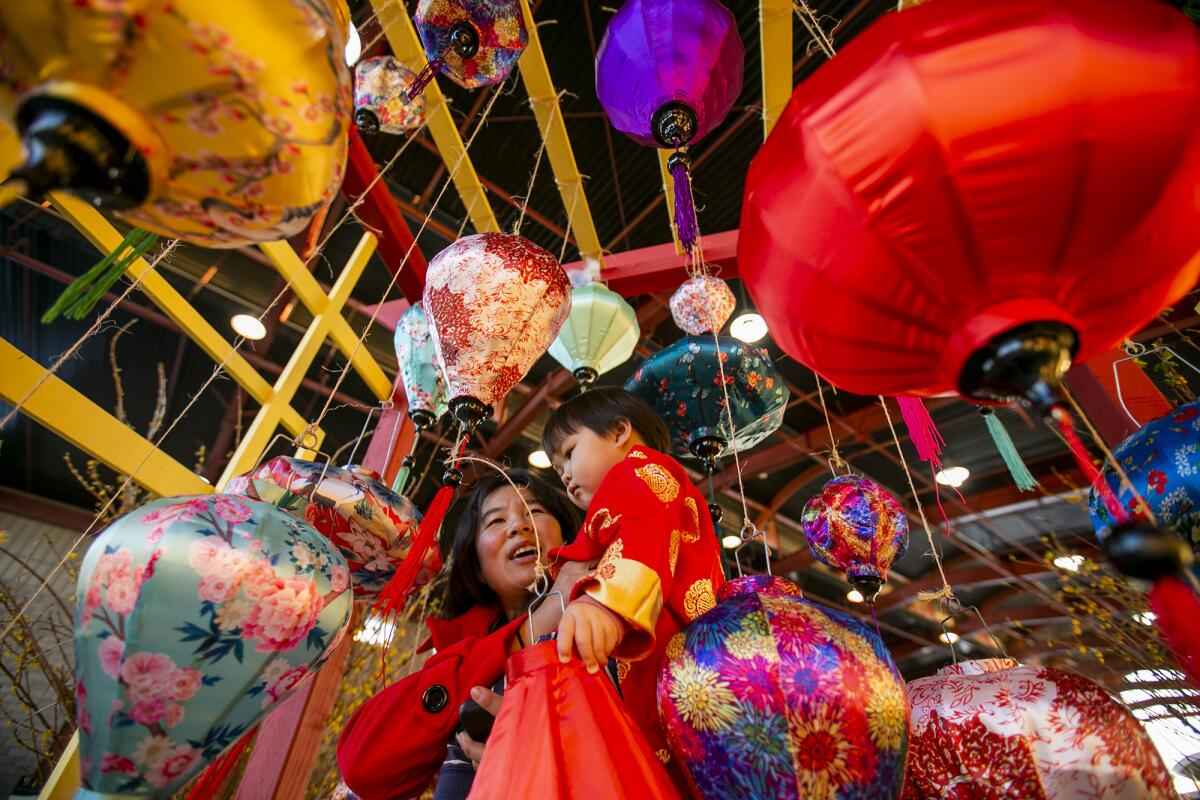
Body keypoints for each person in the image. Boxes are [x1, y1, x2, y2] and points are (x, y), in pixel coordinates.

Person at [336, 468, 585, 800]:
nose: (519, 526)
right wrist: (531, 629)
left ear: (568, 537)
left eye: (535, 511)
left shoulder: (605, 615)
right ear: (477, 567)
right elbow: (364, 766)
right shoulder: (456, 651)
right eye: (496, 521)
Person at [542, 387, 725, 791]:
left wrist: (605, 605)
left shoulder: (640, 472)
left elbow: (645, 533)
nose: (566, 475)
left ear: (620, 431)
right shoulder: (650, 485)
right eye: (558, 471)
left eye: (570, 453)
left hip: (666, 673)